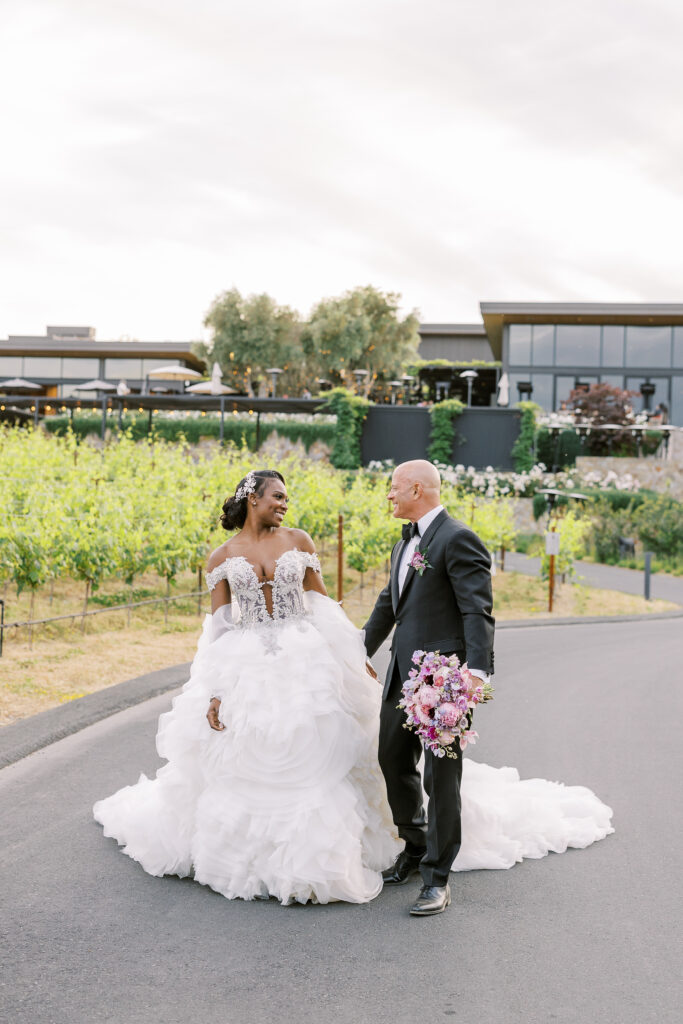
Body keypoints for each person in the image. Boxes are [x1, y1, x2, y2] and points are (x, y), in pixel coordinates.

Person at [94, 469, 401, 905]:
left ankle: (317, 854)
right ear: (252, 499)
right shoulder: (221, 556)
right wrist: (215, 688)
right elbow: (219, 627)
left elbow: (323, 606)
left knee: (315, 743)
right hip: (248, 664)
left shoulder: (300, 541)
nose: (284, 503)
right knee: (249, 750)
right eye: (277, 496)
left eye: (285, 498)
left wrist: (356, 657)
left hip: (307, 659)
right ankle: (257, 857)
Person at [363, 460, 611, 917]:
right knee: (391, 758)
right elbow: (390, 600)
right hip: (402, 675)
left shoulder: (457, 538)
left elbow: (478, 610)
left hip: (444, 679)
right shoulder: (405, 545)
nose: (388, 496)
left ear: (416, 489)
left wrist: (476, 672)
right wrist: (360, 648)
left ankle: (437, 878)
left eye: (393, 489)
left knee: (441, 777)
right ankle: (415, 847)